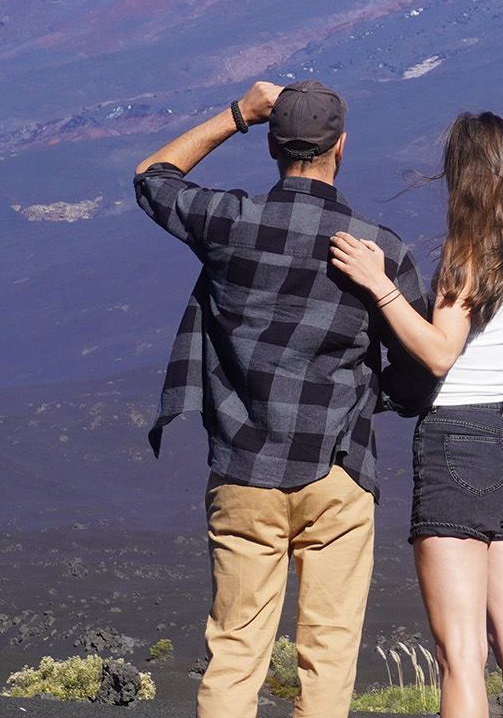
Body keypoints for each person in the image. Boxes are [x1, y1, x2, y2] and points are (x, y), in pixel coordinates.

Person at [134, 80, 428, 718]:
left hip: (243, 470)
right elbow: (416, 369)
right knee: (329, 652)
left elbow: (152, 177)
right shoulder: (380, 249)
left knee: (237, 650)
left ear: (271, 145)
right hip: (340, 470)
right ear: (340, 147)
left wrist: (237, 113)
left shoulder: (231, 223)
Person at [328, 106, 503, 718]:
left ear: (458, 174)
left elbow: (438, 353)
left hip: (460, 443)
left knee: (460, 655)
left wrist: (380, 286)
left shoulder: (469, 251)